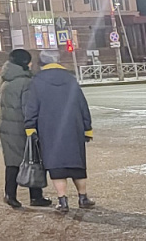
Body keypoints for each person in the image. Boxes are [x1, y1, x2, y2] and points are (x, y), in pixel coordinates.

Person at [25, 50, 95, 213]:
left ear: (43, 63)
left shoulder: (37, 81)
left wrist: (30, 127)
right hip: (73, 126)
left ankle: (63, 201)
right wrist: (87, 128)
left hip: (48, 128)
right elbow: (82, 105)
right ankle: (83, 197)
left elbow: (32, 106)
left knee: (56, 166)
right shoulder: (70, 78)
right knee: (77, 164)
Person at [0, 49, 52, 209]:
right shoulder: (26, 81)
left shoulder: (3, 77)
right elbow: (29, 108)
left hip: (5, 124)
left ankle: (10, 194)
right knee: (34, 158)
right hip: (23, 126)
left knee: (12, 160)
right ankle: (36, 196)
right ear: (25, 63)